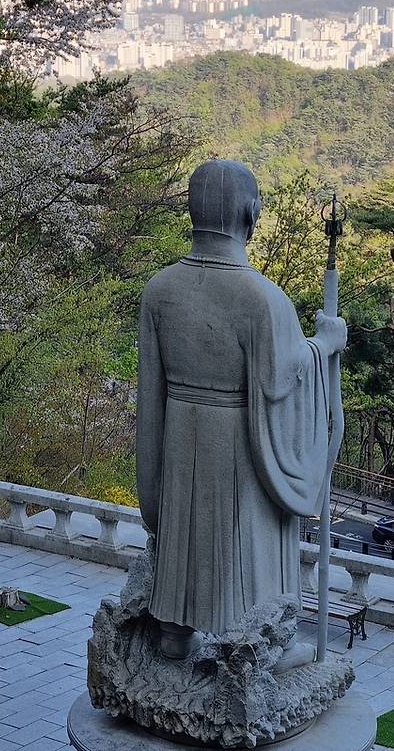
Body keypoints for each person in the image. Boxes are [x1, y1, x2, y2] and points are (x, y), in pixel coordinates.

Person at [136, 159, 347, 661]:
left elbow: (149, 391)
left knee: (183, 533)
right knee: (242, 543)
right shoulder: (260, 298)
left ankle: (173, 633)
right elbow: (281, 379)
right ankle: (251, 647)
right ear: (250, 214)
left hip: (178, 433)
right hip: (238, 443)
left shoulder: (160, 289)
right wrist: (324, 344)